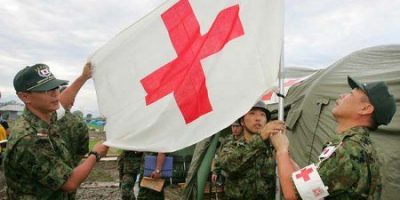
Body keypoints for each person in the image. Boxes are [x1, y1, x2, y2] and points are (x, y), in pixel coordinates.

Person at [270, 76, 396, 200]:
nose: (342, 95)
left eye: (351, 94)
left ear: (365, 109)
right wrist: (287, 158)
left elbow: (293, 194)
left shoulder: (348, 149)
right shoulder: (358, 145)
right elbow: (310, 182)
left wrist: (282, 151)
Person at [3, 63, 109, 199]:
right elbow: (69, 183)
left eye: (55, 87)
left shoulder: (45, 115)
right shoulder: (29, 139)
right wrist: (95, 154)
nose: (55, 94)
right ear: (25, 97)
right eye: (46, 90)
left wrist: (83, 77)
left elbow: (63, 103)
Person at [218, 101, 283, 199]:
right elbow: (229, 165)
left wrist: (281, 150)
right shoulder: (231, 145)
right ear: (242, 122)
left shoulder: (271, 147)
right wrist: (260, 137)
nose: (258, 118)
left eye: (262, 115)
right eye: (252, 113)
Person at [211, 120, 242, 184]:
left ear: (242, 127)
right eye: (233, 126)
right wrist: (215, 172)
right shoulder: (228, 139)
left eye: (237, 126)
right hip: (229, 178)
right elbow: (220, 156)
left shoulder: (246, 139)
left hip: (242, 177)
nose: (235, 129)